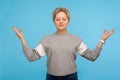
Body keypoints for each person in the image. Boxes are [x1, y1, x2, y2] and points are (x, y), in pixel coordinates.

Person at [12, 7, 114, 80]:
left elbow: (92, 56)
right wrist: (22, 39)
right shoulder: (46, 39)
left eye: (64, 19)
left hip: (71, 77)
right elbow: (31, 57)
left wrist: (102, 40)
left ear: (68, 21)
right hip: (52, 77)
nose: (61, 21)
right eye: (57, 19)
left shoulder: (76, 39)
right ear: (54, 21)